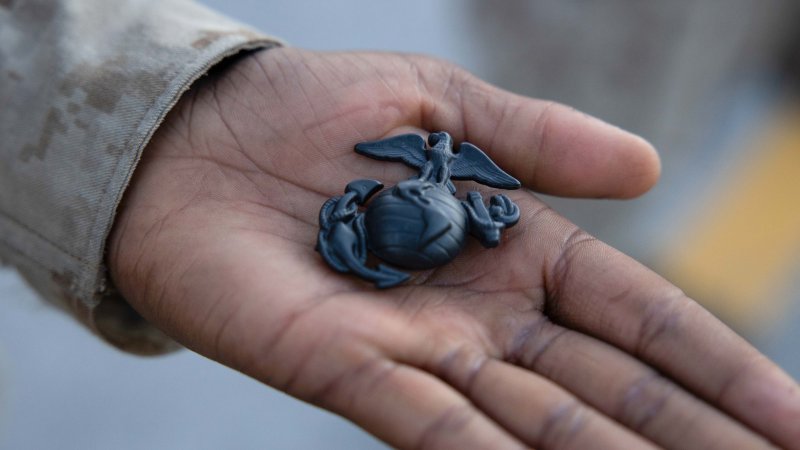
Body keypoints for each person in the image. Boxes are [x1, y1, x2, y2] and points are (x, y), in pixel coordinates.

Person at [1, 1, 798, 448]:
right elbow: (474, 209)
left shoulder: (409, 206)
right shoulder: (451, 203)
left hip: (411, 235)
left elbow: (428, 203)